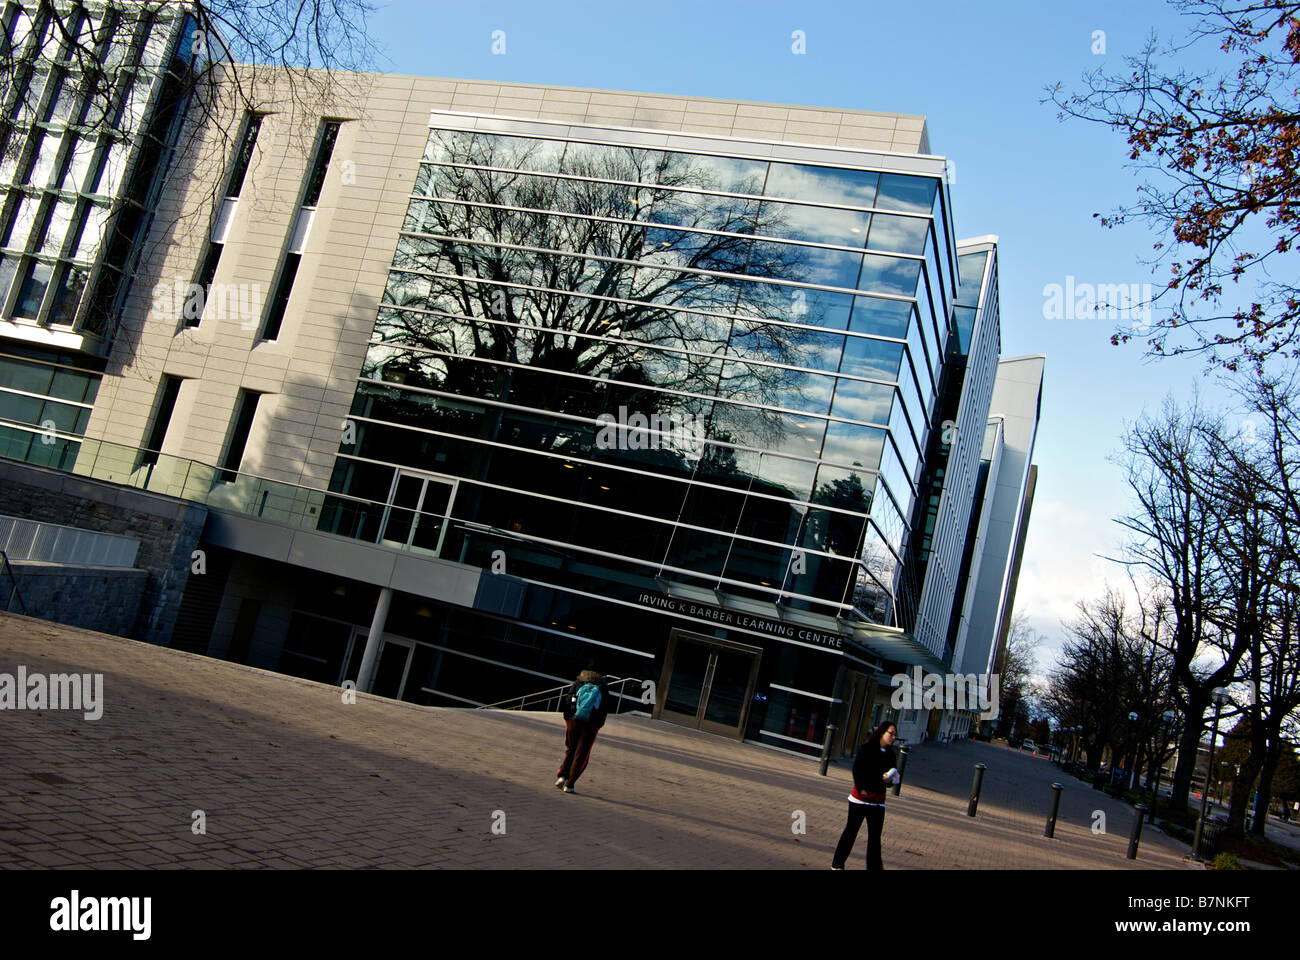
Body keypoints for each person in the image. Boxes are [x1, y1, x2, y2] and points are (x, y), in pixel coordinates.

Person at [830, 720, 899, 870]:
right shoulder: (866, 749)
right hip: (859, 800)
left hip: (878, 802)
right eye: (891, 734)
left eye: (895, 735)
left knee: (875, 838)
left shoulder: (891, 755)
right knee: (851, 832)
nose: (893, 737)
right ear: (882, 732)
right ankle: (837, 865)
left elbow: (891, 780)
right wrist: (861, 788)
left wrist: (889, 781)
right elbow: (857, 770)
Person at [554, 665, 610, 793]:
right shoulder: (603, 688)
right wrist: (598, 724)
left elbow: (568, 700)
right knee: (582, 754)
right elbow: (604, 708)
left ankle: (562, 776)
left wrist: (568, 718)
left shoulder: (578, 683)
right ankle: (570, 784)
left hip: (574, 721)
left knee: (570, 749)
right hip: (591, 725)